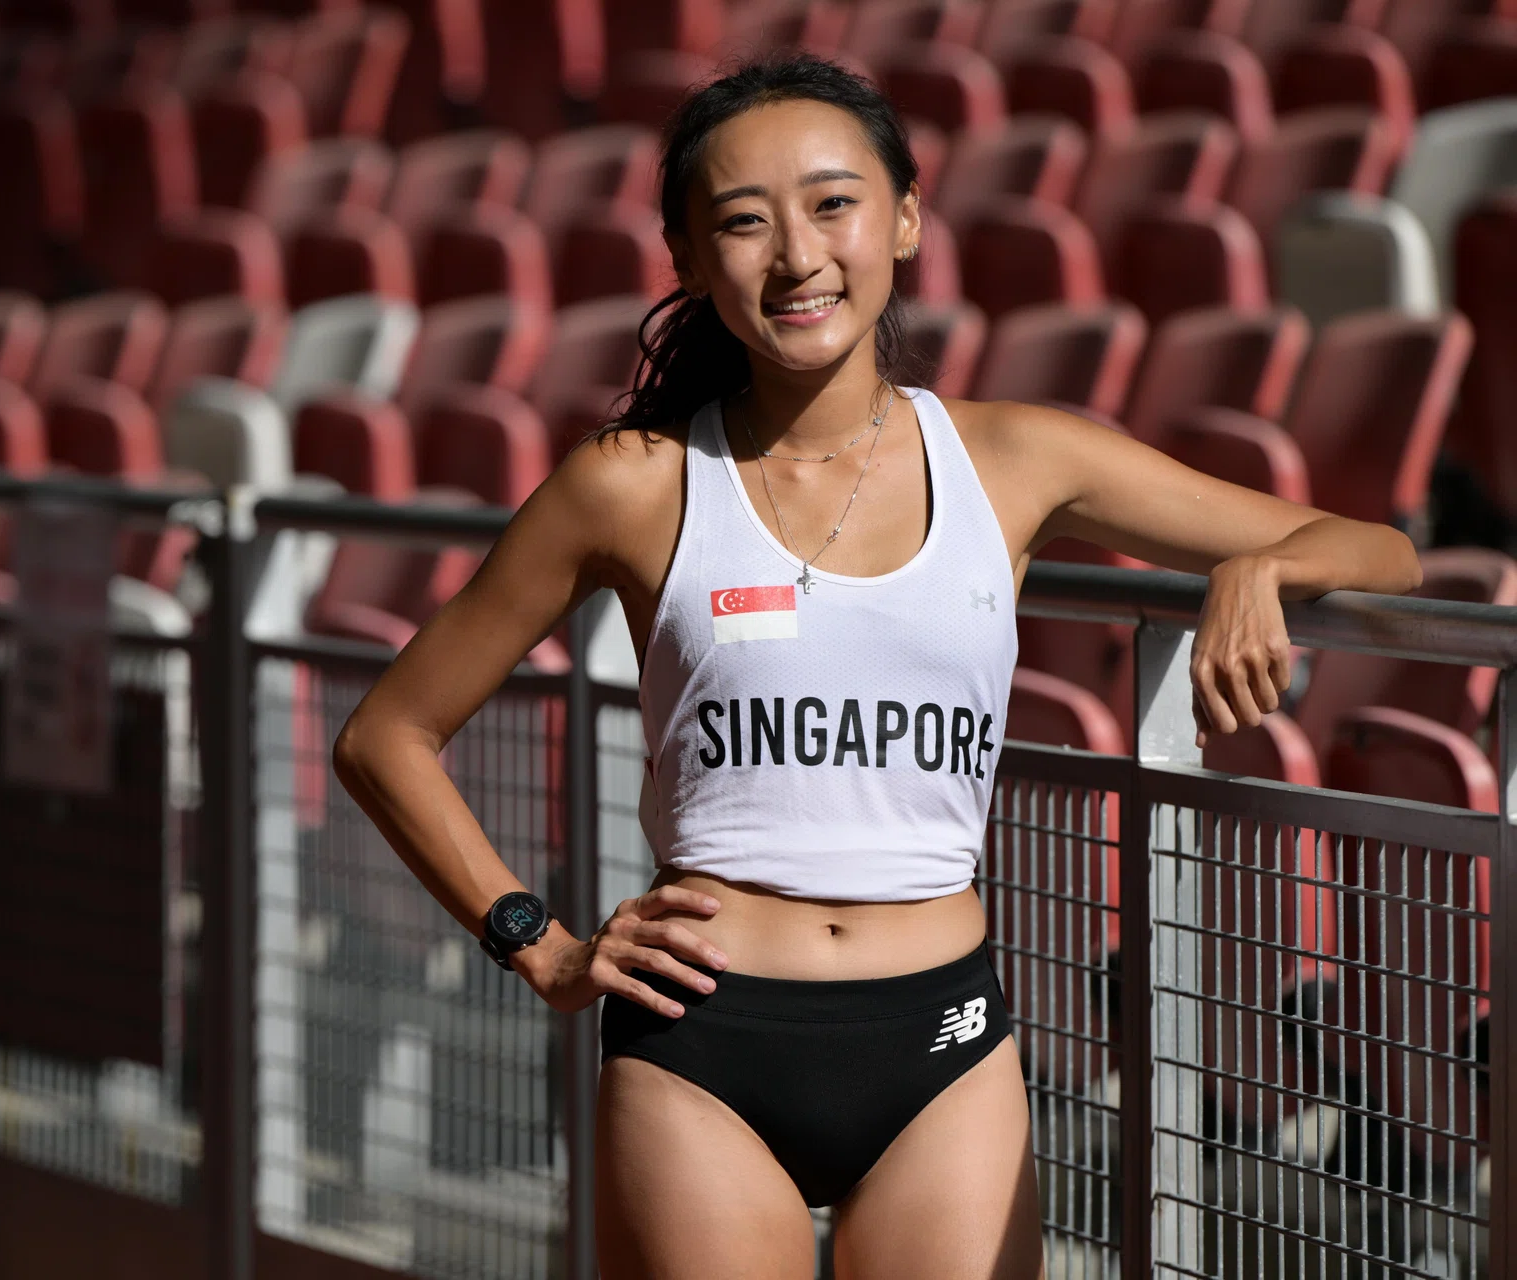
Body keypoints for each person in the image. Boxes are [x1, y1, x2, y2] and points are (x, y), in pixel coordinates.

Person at [331, 53, 1421, 1280]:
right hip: (703, 1045)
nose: (797, 254)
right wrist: (540, 942)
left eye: (834, 203)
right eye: (744, 220)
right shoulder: (628, 481)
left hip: (941, 1044)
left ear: (905, 218)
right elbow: (385, 732)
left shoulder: (1016, 456)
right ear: (688, 259)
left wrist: (1258, 572)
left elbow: (1383, 551)